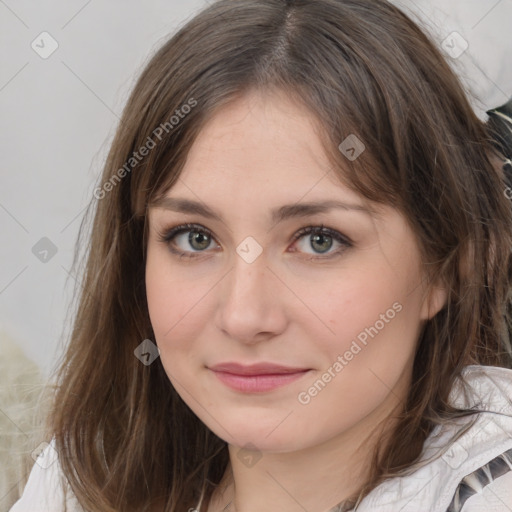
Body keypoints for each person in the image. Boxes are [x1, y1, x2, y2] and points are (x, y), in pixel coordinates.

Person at [9, 0, 512, 511]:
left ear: (450, 264)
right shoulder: (78, 485)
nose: (244, 316)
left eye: (319, 240)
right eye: (194, 238)